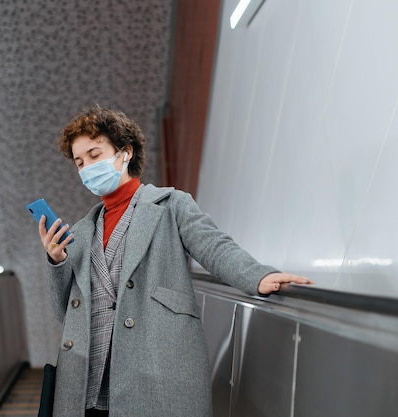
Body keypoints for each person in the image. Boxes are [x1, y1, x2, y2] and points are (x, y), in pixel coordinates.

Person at [37, 105, 312, 417]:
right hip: (89, 377)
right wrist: (56, 261)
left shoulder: (170, 206)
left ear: (125, 153)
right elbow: (64, 312)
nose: (87, 168)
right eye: (79, 162)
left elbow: (214, 245)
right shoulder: (81, 233)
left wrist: (257, 276)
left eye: (95, 155)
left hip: (152, 366)